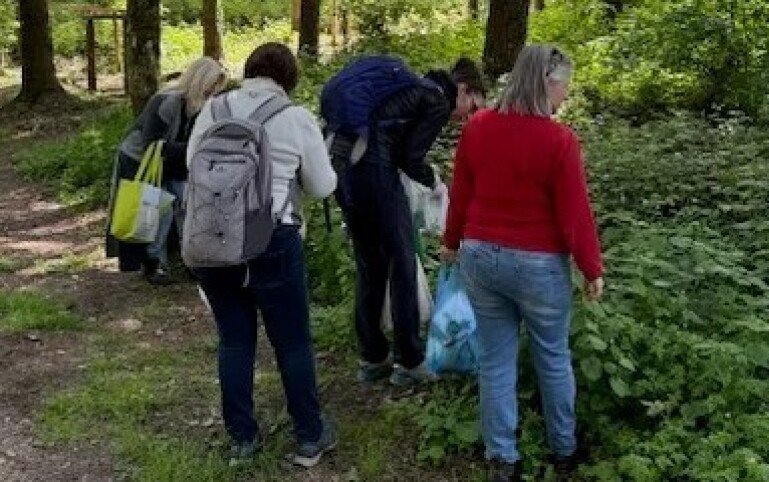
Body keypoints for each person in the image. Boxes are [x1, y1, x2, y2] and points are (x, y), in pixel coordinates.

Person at [440, 45, 605, 482]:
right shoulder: (559, 140)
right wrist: (592, 269)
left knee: (495, 361)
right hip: (538, 266)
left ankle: (502, 461)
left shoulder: (478, 127)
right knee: (552, 356)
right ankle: (564, 452)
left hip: (480, 257)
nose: (566, 93)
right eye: (564, 84)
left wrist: (452, 241)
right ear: (548, 83)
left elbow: (462, 193)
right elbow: (575, 214)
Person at [186, 43, 338, 467]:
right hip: (272, 238)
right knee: (291, 341)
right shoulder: (295, 117)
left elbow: (191, 163)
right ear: (288, 80)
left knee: (234, 340)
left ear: (247, 71)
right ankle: (309, 434)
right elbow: (324, 187)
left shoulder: (212, 111)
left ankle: (242, 439)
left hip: (213, 238)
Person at [325, 56, 486, 386]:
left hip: (343, 169)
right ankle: (409, 361)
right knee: (401, 263)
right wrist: (436, 182)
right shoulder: (436, 100)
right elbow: (410, 158)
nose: (464, 118)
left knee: (370, 264)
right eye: (471, 108)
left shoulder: (411, 90)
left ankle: (372, 358)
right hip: (375, 175)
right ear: (464, 90)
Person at [107, 57, 227, 285]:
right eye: (211, 86)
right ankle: (153, 263)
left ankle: (190, 260)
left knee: (186, 205)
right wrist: (195, 149)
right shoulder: (167, 101)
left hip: (173, 161)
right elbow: (151, 144)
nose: (213, 92)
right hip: (140, 161)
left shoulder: (201, 106)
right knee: (157, 212)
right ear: (199, 81)